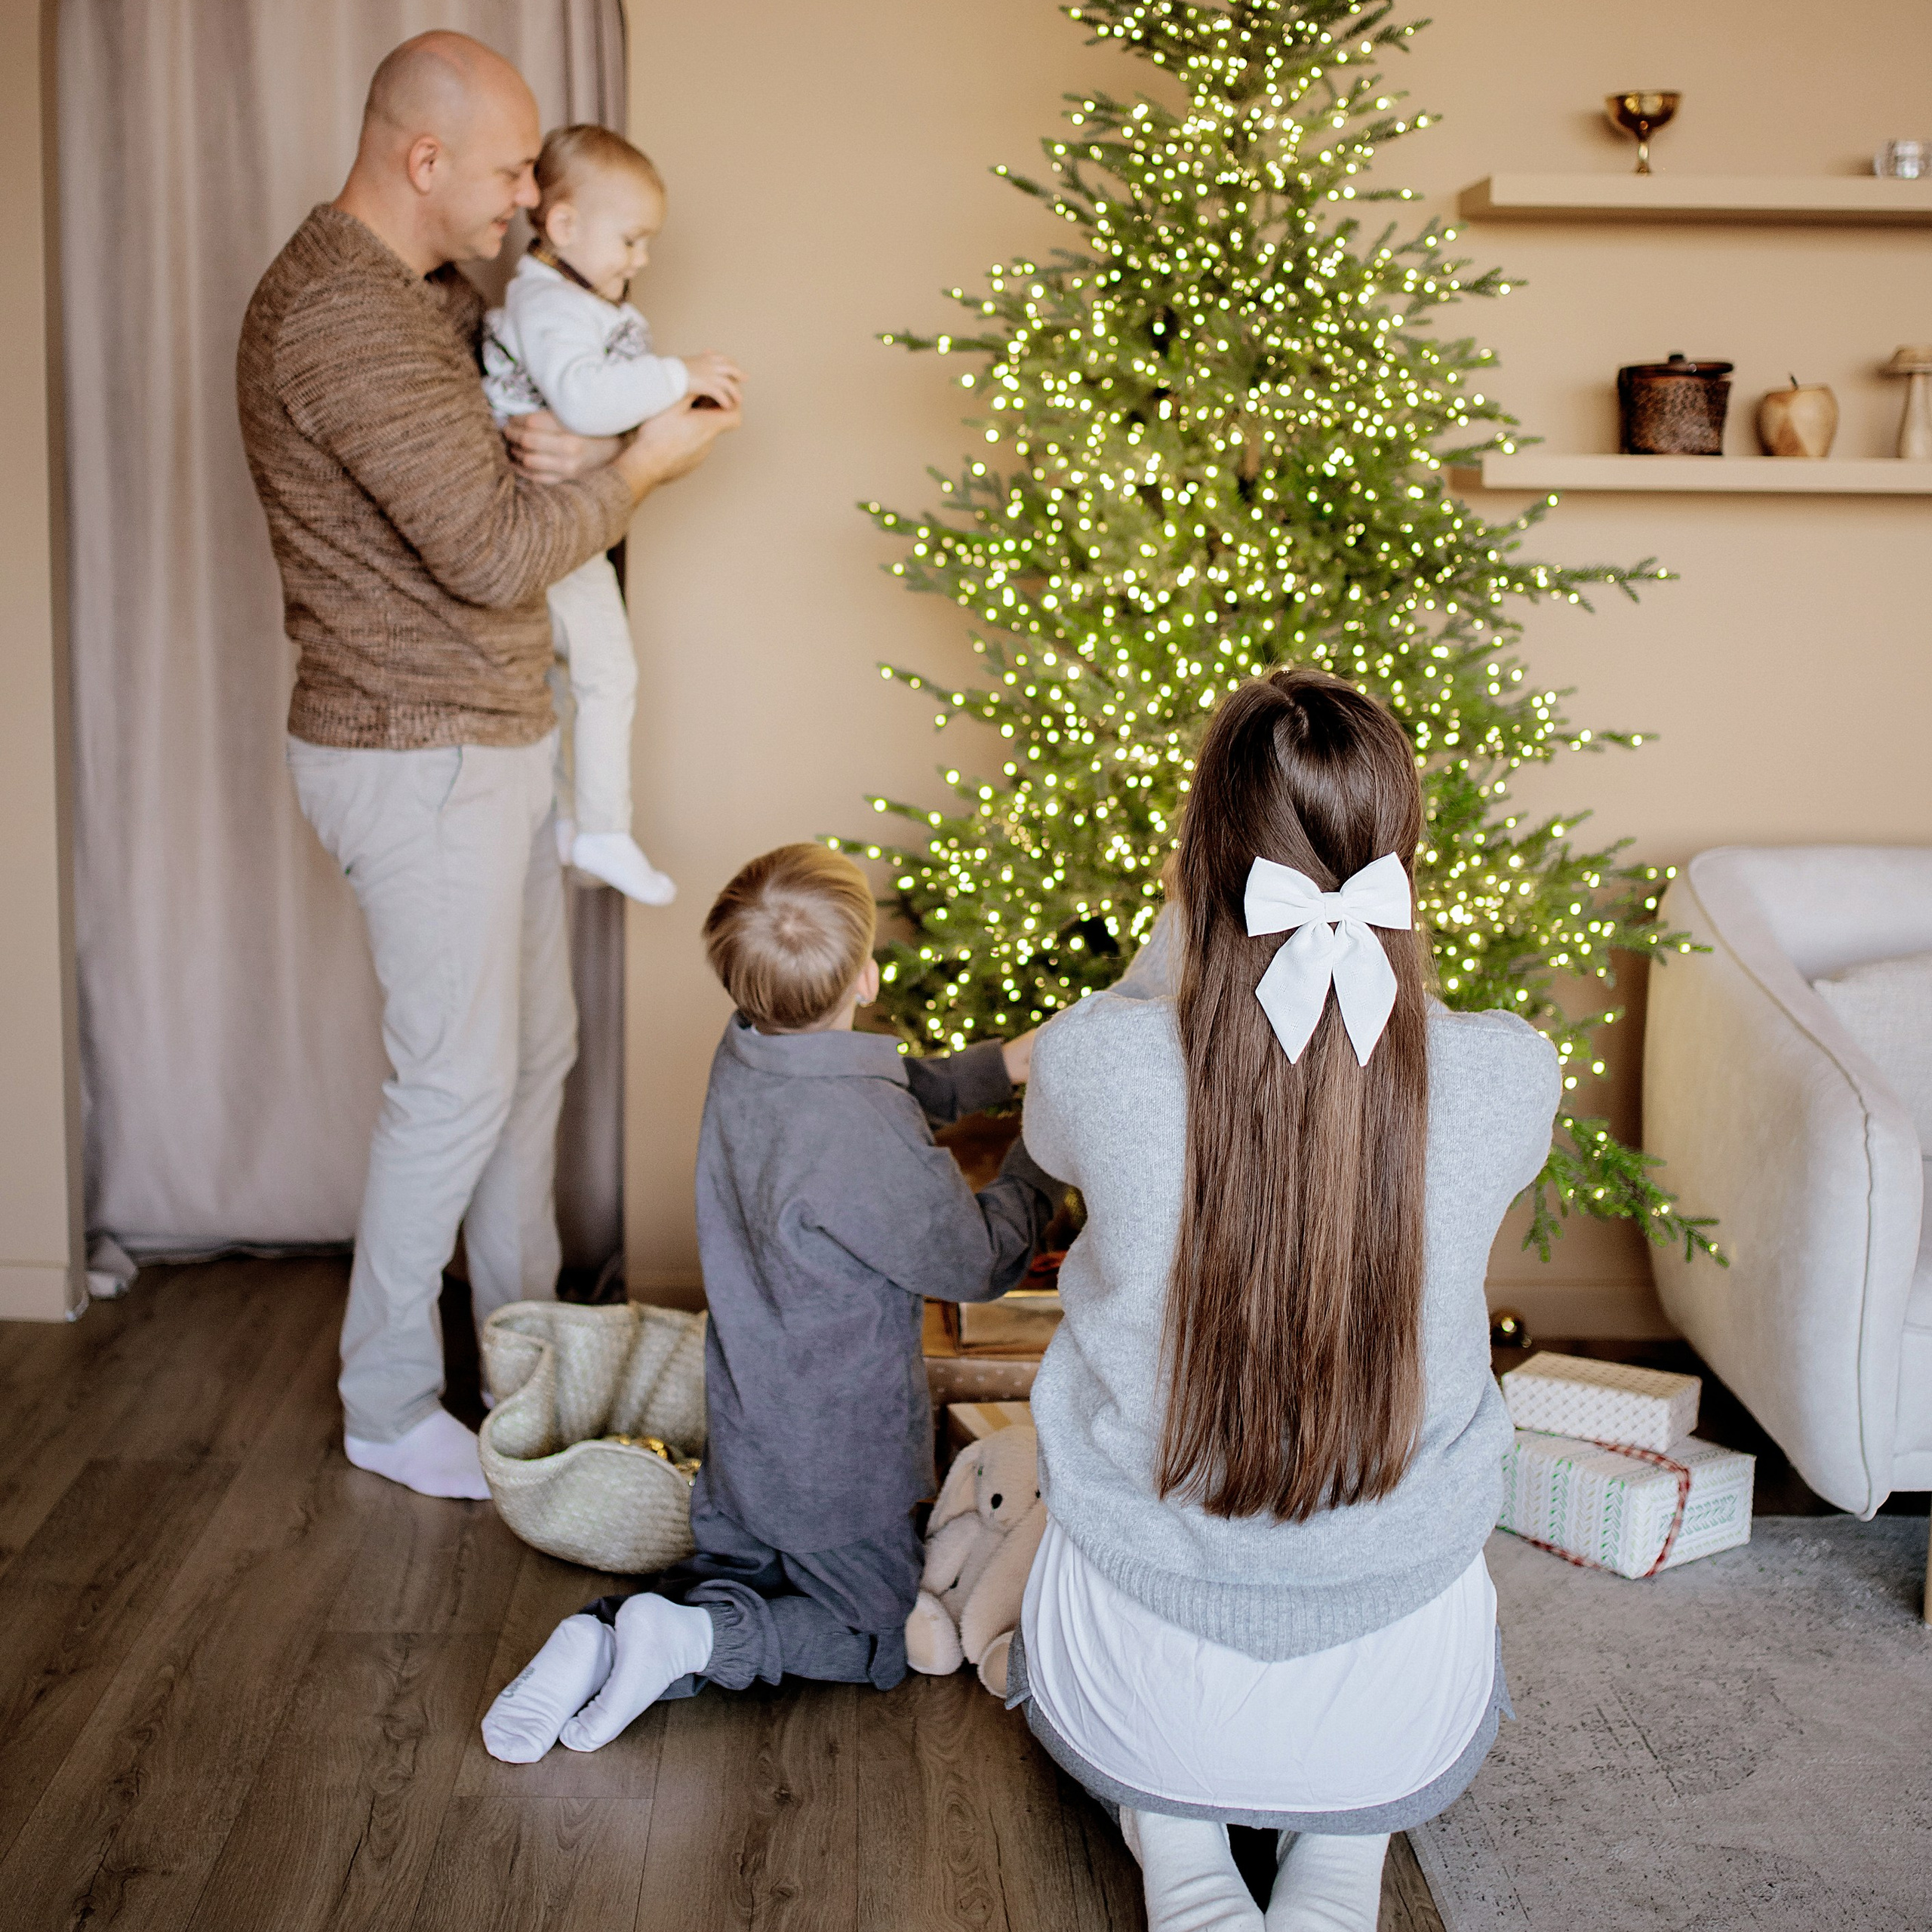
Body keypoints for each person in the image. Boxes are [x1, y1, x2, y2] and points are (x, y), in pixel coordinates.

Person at [236, 31, 738, 1500]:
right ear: (423, 159)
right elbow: (494, 552)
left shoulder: (424, 297)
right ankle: (387, 1400)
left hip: (490, 741)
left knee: (528, 1069)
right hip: (419, 756)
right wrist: (642, 466)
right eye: (515, 166)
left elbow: (525, 361)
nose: (531, 196)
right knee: (453, 1085)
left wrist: (568, 416)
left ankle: (530, 1356)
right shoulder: (342, 318)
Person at [1011, 669, 1560, 1932]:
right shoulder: (1505, 1075)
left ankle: (1188, 1861)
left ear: (1201, 859)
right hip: (1396, 1692)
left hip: (1147, 1678)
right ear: (1401, 857)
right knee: (1386, 1639)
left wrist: (1193, 930)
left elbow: (1060, 1126)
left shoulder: (1100, 1061)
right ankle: (1339, 1854)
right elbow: (1373, 1046)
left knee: (1065, 1514)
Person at [479, 844, 1057, 1761]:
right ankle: (693, 1643)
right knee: (873, 1634)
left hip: (747, 1438)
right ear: (867, 974)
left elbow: (879, 1088)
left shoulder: (748, 1048)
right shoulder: (859, 1134)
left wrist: (1002, 1065)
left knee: (730, 1574)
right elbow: (978, 1259)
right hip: (841, 1463)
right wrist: (1045, 1134)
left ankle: (603, 1635)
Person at [481, 124, 743, 906]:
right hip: (547, 524)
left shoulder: (574, 300)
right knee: (608, 672)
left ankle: (571, 820)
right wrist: (678, 375)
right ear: (562, 227)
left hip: (560, 516)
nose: (641, 260)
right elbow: (585, 399)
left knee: (575, 677)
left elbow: (599, 421)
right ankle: (601, 827)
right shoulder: (549, 306)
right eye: (630, 240)